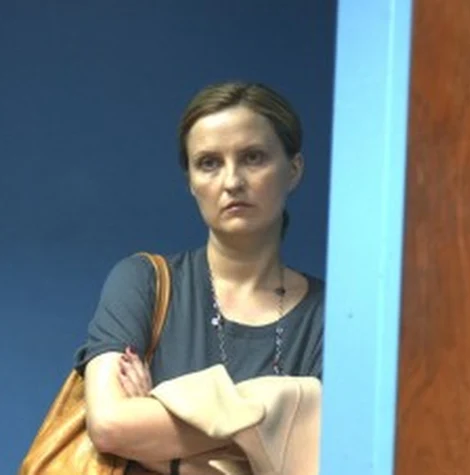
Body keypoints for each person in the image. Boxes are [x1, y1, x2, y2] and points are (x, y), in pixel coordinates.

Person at [73, 81, 325, 474]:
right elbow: (110, 426)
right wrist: (280, 420)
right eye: (209, 163)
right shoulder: (143, 283)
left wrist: (152, 435)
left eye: (253, 157)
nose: (232, 181)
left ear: (293, 170)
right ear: (191, 181)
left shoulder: (329, 317)